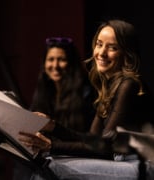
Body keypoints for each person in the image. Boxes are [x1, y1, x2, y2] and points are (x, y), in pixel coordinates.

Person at [18, 19, 154, 180]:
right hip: (122, 161)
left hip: (143, 166)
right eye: (99, 44)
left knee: (51, 167)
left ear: (127, 53)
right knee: (47, 162)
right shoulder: (109, 87)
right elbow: (92, 139)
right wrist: (54, 126)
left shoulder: (129, 85)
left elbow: (103, 147)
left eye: (112, 48)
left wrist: (51, 145)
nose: (101, 53)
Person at [12, 37, 96, 180]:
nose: (55, 65)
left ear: (71, 63)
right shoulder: (43, 92)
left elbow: (87, 139)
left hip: (73, 154)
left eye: (61, 59)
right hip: (49, 153)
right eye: (50, 59)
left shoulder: (87, 93)